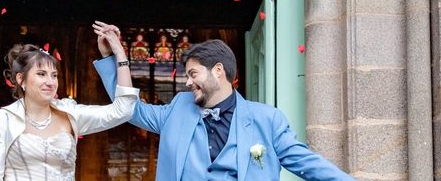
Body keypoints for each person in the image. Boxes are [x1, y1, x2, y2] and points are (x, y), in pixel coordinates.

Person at [93, 21, 356, 181]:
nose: (187, 82)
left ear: (218, 70)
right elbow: (130, 109)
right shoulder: (177, 110)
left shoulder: (267, 120)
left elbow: (308, 164)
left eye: (193, 74)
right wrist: (115, 57)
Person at [0, 29, 138, 181]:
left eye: (54, 75)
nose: (50, 82)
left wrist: (119, 54)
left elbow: (123, 110)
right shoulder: (4, 119)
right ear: (21, 79)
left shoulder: (70, 113)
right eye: (41, 74)